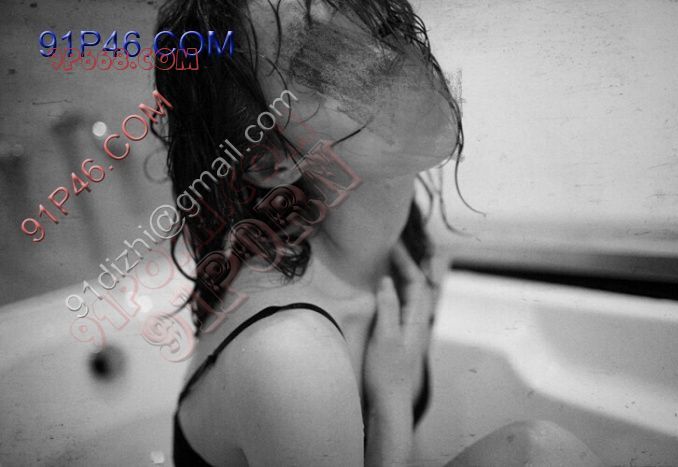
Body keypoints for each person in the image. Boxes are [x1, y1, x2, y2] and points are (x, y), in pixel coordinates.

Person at [153, 0, 604, 465]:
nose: (386, 55)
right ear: (272, 163)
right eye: (325, 58)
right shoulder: (289, 352)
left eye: (378, 21)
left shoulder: (400, 254)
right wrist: (392, 405)